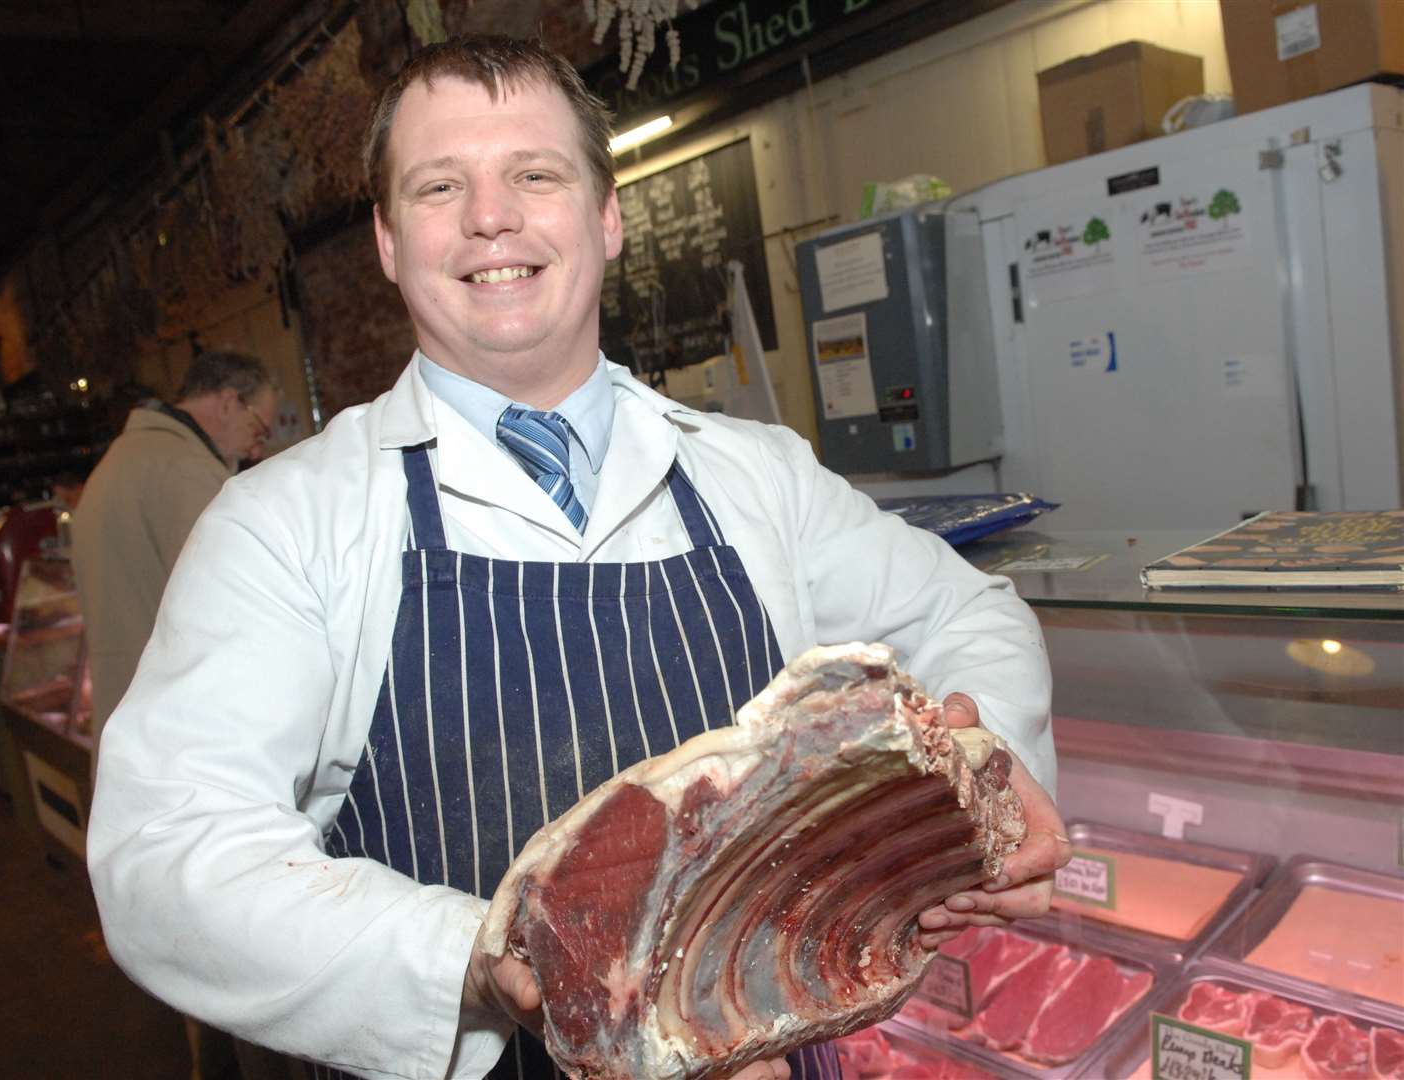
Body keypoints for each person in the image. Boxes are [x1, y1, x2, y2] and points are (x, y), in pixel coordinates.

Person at [87, 36, 1070, 1080]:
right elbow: (167, 856)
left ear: (606, 216)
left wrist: (984, 777)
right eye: (438, 186)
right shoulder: (286, 522)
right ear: (385, 240)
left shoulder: (756, 477)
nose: (489, 217)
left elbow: (976, 616)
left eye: (534, 174)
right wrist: (468, 954)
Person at [71, 350, 282, 1080]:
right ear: (224, 401)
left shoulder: (116, 465)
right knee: (247, 979)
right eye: (258, 422)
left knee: (199, 986)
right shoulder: (187, 477)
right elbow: (249, 631)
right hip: (197, 771)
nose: (259, 441)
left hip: (134, 755)